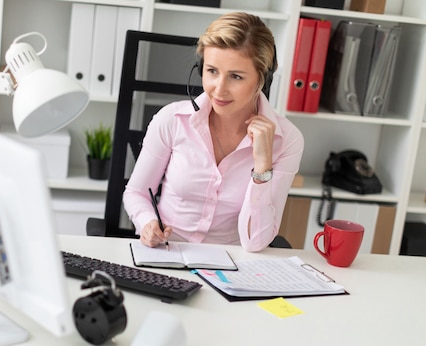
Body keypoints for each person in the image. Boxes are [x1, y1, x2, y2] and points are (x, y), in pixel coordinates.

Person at [122, 12, 304, 252]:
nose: (219, 89)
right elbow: (136, 193)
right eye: (212, 71)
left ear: (262, 79)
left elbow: (256, 242)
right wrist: (147, 224)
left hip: (233, 265)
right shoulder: (172, 120)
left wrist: (262, 166)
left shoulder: (287, 140)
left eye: (236, 76)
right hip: (168, 254)